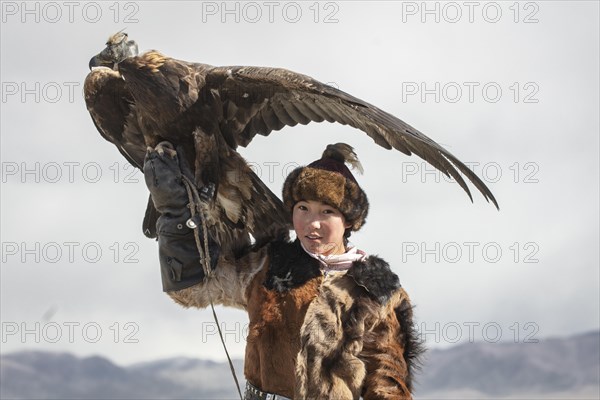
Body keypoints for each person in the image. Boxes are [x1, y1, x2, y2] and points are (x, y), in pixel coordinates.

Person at [143, 142, 423, 400]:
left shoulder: (375, 289)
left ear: (348, 220)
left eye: (327, 212)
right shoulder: (268, 265)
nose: (312, 223)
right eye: (303, 208)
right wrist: (176, 217)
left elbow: (387, 382)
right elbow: (191, 290)